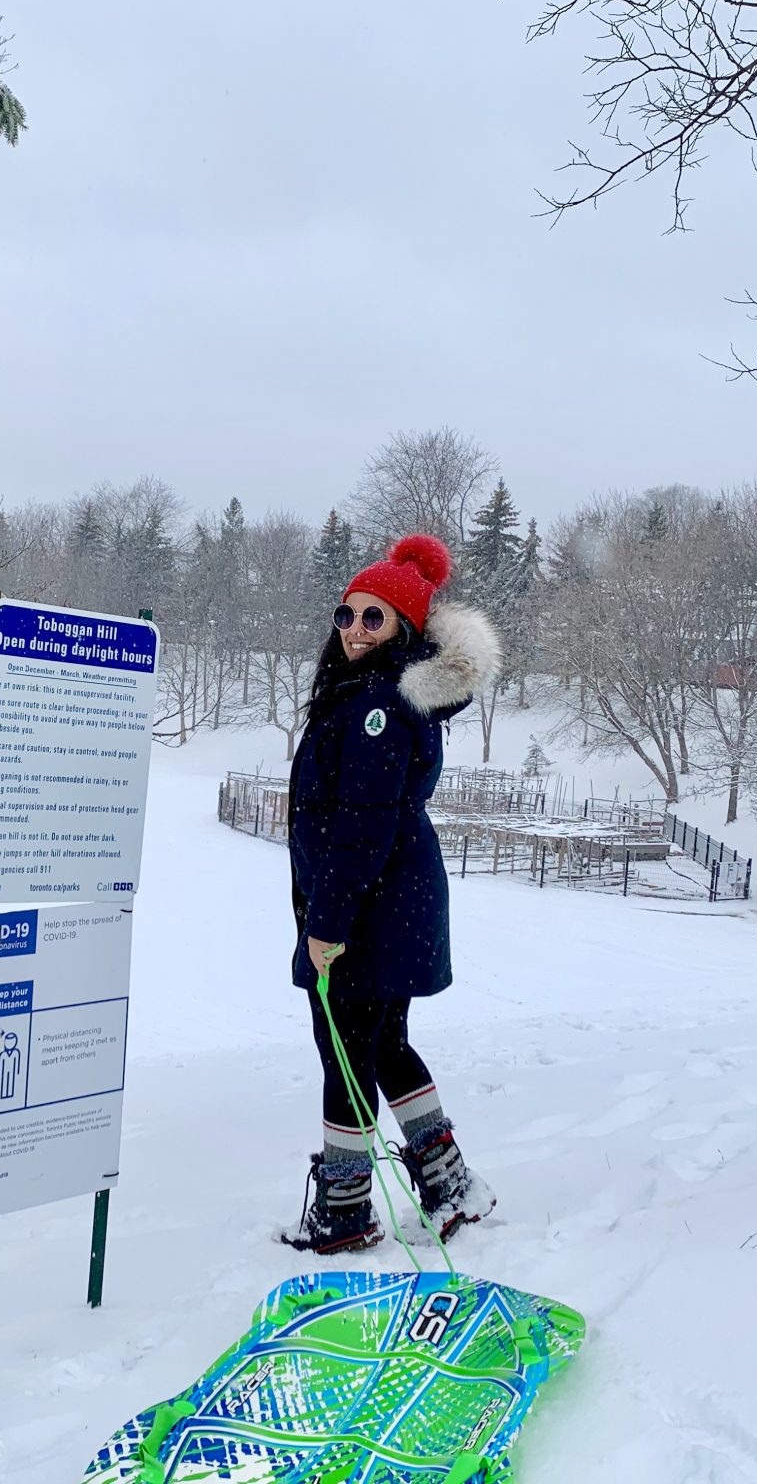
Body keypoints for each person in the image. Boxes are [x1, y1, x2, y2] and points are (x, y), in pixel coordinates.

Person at [279, 533, 501, 1254]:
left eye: (374, 619)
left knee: (345, 1049)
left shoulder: (376, 707)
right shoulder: (372, 696)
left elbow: (360, 827)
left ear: (405, 628)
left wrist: (327, 924)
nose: (354, 631)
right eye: (347, 613)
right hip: (392, 907)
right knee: (382, 1044)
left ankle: (344, 1210)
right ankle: (448, 1180)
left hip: (370, 911)